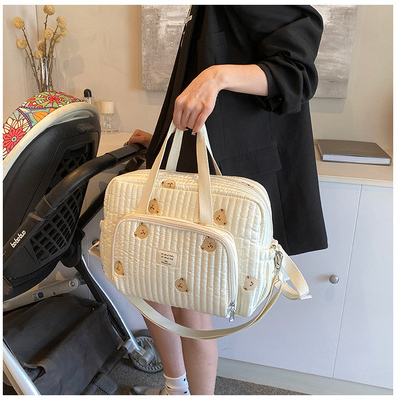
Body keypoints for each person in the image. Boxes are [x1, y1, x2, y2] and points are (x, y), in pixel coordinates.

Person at [127, 5, 327, 395]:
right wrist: (161, 142)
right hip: (189, 168)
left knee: (186, 296)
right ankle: (175, 387)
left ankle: (186, 391)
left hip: (221, 178)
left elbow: (295, 75)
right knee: (147, 279)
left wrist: (216, 76)